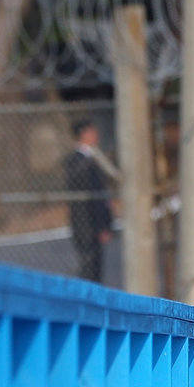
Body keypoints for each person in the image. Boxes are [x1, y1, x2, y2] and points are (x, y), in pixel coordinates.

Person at [65, 120, 119, 283]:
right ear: (83, 134)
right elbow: (88, 199)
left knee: (96, 269)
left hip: (94, 224)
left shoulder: (94, 157)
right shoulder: (78, 161)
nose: (96, 135)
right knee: (89, 270)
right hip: (87, 225)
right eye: (92, 132)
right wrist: (100, 225)